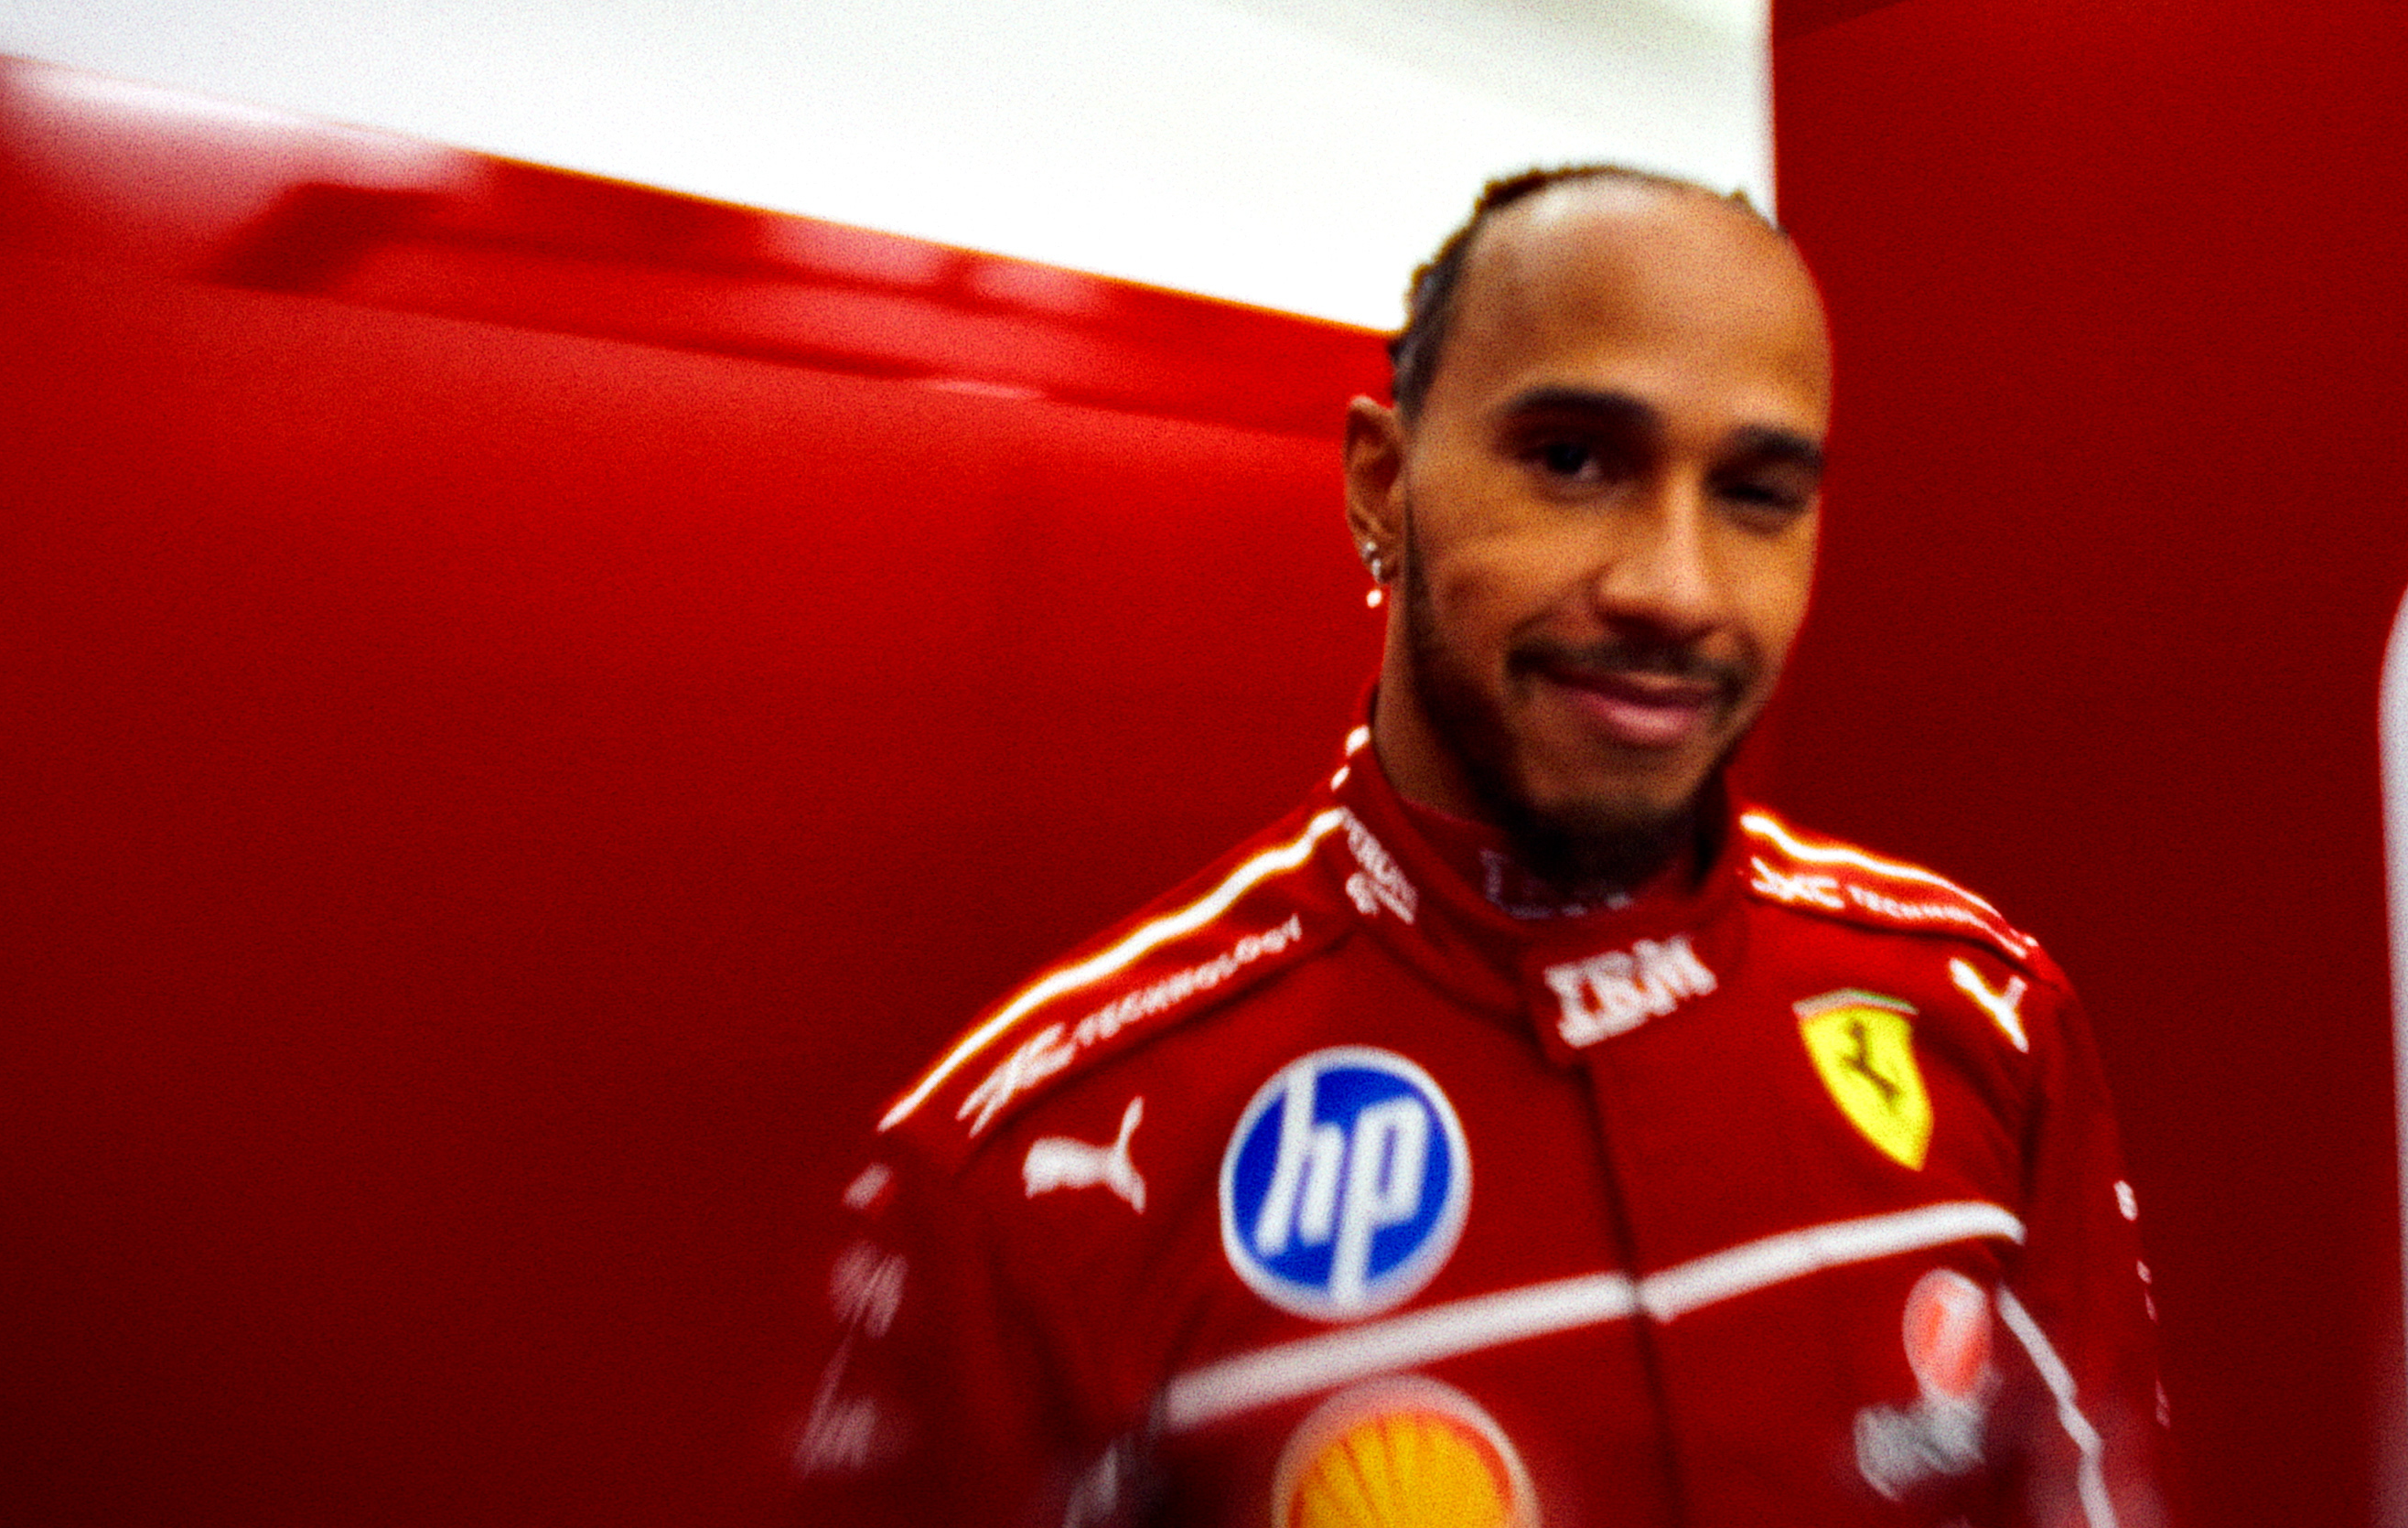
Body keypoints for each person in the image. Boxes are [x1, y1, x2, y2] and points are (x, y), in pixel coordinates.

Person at [786, 167, 2175, 1527]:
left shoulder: (1985, 1016)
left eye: (1757, 493)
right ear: (1383, 485)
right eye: (1572, 461)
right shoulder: (1026, 1174)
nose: (1676, 588)